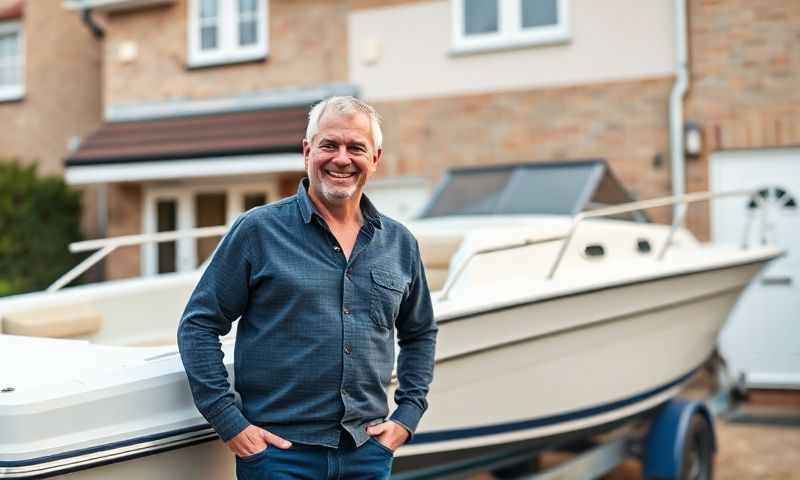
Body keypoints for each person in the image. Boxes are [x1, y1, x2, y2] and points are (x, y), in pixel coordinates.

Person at [177, 96, 438, 479]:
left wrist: (407, 416)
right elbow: (198, 325)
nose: (341, 159)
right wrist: (229, 422)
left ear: (375, 159)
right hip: (278, 456)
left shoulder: (400, 244)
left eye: (356, 148)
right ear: (307, 151)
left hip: (366, 454)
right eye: (329, 145)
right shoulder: (258, 231)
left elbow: (419, 333)